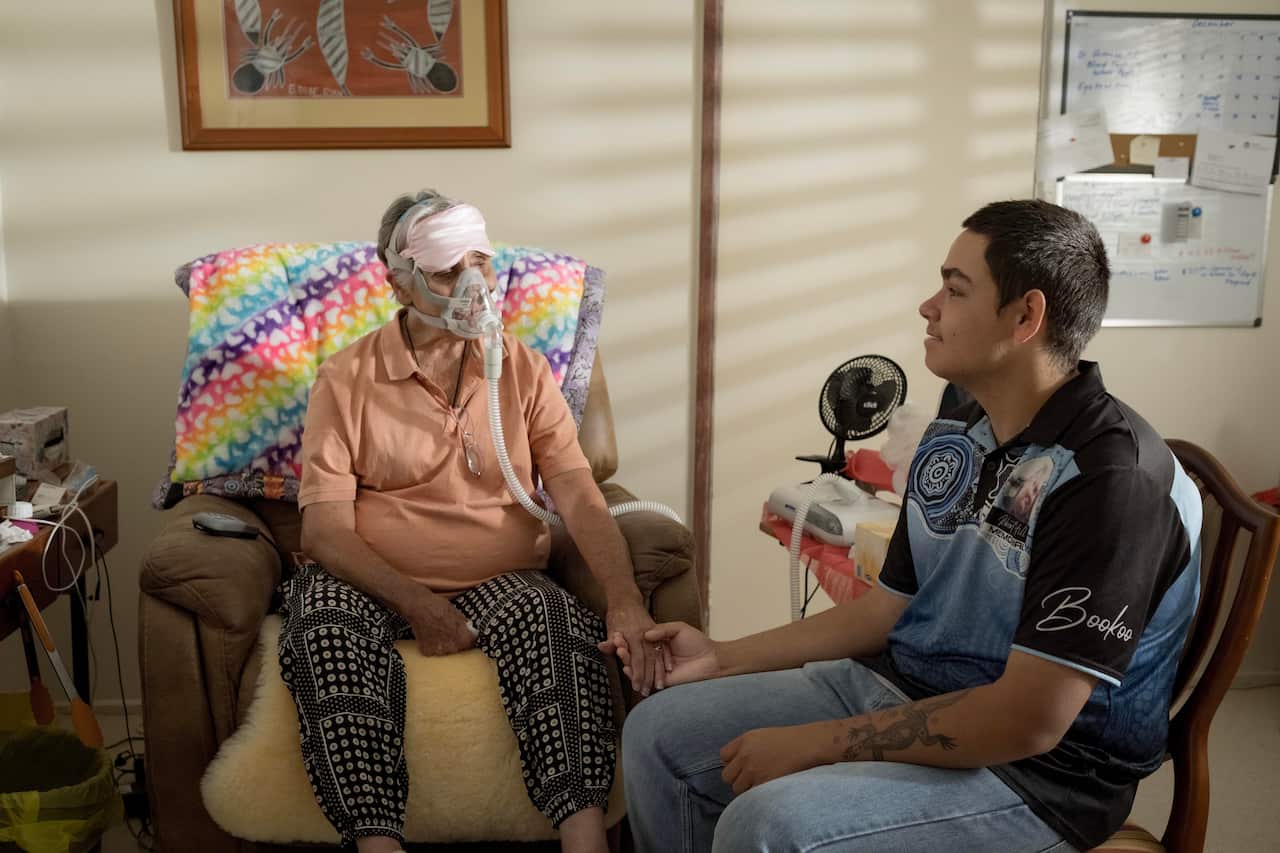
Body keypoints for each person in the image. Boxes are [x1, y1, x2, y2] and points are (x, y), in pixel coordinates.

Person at [616, 199, 1202, 852]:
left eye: (954, 289)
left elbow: (1031, 719)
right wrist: (721, 654)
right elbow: (887, 609)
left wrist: (816, 746)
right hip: (901, 683)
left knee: (768, 824)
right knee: (656, 733)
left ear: (1026, 316)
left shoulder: (1110, 478)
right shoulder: (959, 419)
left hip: (1041, 774)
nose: (929, 306)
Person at [282, 190, 664, 853]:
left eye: (480, 263)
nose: (472, 286)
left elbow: (575, 487)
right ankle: (377, 843)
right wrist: (421, 605)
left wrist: (625, 598)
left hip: (501, 577)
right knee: (319, 625)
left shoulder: (519, 367)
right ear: (397, 281)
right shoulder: (346, 379)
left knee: (558, 623)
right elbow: (323, 532)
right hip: (372, 581)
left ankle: (585, 840)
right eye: (446, 272)